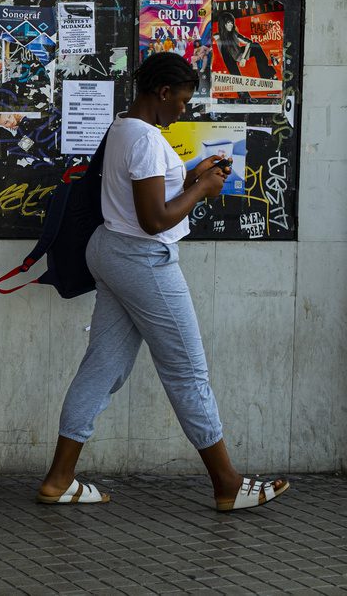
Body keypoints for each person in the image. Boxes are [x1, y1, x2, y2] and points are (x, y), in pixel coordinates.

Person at [37, 53, 289, 512]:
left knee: (102, 368)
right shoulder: (148, 140)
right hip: (143, 261)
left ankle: (59, 478)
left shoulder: (123, 127)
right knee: (187, 370)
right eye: (184, 100)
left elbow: (139, 195)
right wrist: (201, 189)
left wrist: (192, 173)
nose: (185, 110)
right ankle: (227, 483)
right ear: (163, 92)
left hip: (111, 251)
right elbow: (154, 219)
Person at [215, 11, 277, 80]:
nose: (231, 24)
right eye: (228, 22)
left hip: (238, 53)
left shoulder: (234, 33)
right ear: (223, 24)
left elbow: (249, 42)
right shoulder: (217, 36)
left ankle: (268, 75)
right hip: (229, 58)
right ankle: (239, 86)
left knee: (256, 46)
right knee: (225, 50)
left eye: (232, 22)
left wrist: (243, 58)